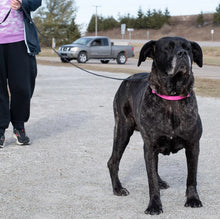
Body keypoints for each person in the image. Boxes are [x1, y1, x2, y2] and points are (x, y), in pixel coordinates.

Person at [0, 0, 42, 147]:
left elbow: (36, 1)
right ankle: (0, 129)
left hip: (19, 41)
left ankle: (19, 125)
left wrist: (22, 3)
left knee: (22, 86)